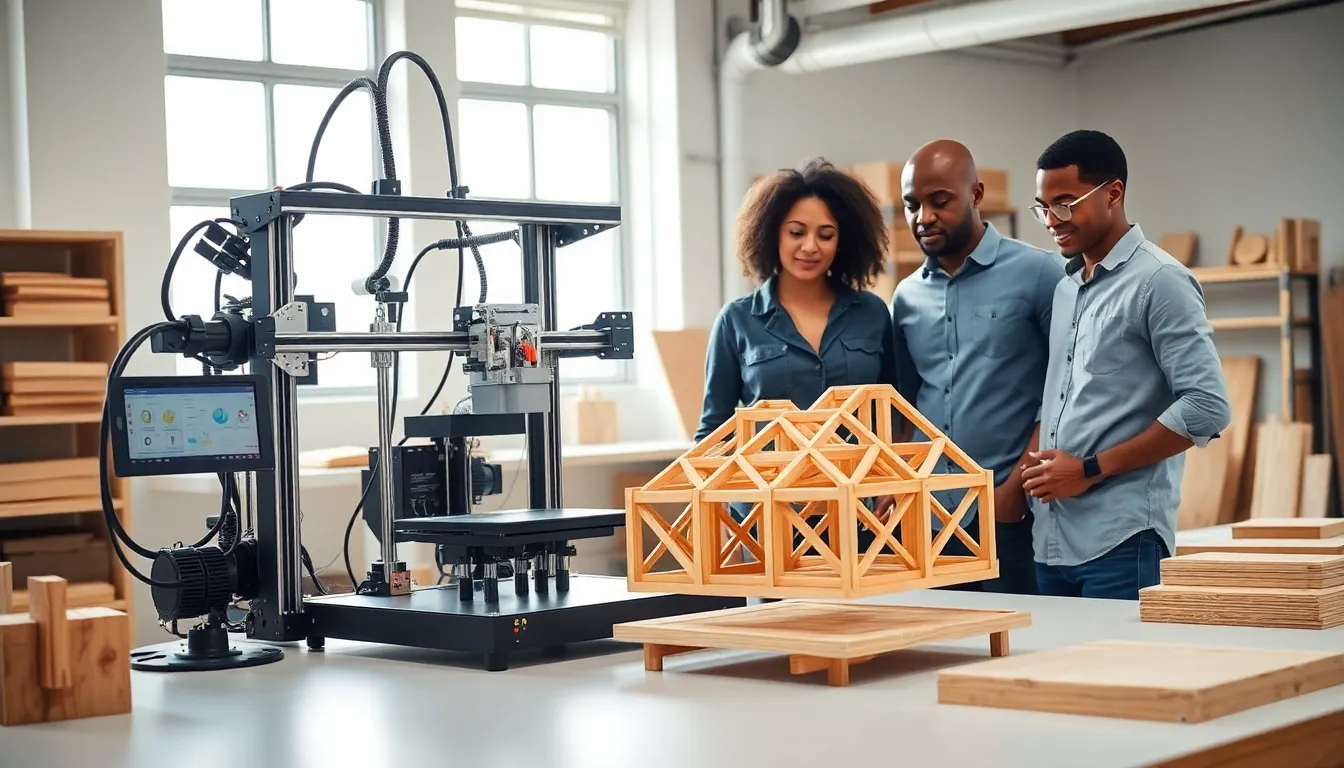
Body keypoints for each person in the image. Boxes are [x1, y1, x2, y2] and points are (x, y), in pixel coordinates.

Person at [1023, 129, 1232, 600]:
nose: (1052, 221)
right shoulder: (1066, 289)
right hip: (1050, 542)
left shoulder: (1161, 281)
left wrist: (1087, 469)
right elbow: (1062, 400)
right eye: (1043, 208)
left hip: (1122, 542)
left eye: (1064, 204)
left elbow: (1207, 407)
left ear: (1113, 193)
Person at [880, 139, 1063, 595]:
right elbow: (906, 405)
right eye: (912, 205)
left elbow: (1062, 393)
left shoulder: (1040, 274)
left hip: (1008, 514)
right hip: (926, 517)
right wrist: (895, 482)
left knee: (1019, 633)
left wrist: (1014, 491)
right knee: (936, 637)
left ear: (976, 194)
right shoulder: (906, 297)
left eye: (939, 201)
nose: (924, 217)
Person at [698, 157, 896, 551]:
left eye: (826, 235)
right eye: (796, 232)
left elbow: (894, 412)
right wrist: (726, 505)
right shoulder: (737, 320)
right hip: (764, 518)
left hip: (858, 513)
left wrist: (892, 481)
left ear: (843, 241)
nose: (810, 247)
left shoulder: (873, 314)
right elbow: (714, 431)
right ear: (772, 233)